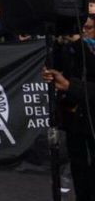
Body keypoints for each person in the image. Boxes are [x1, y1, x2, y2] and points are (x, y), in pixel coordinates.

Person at [45, 15, 95, 200]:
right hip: (75, 114)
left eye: (88, 28)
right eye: (81, 28)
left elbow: (90, 67)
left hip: (90, 111)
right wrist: (58, 44)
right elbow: (56, 67)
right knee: (78, 164)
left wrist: (78, 43)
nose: (84, 32)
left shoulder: (83, 47)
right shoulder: (71, 47)